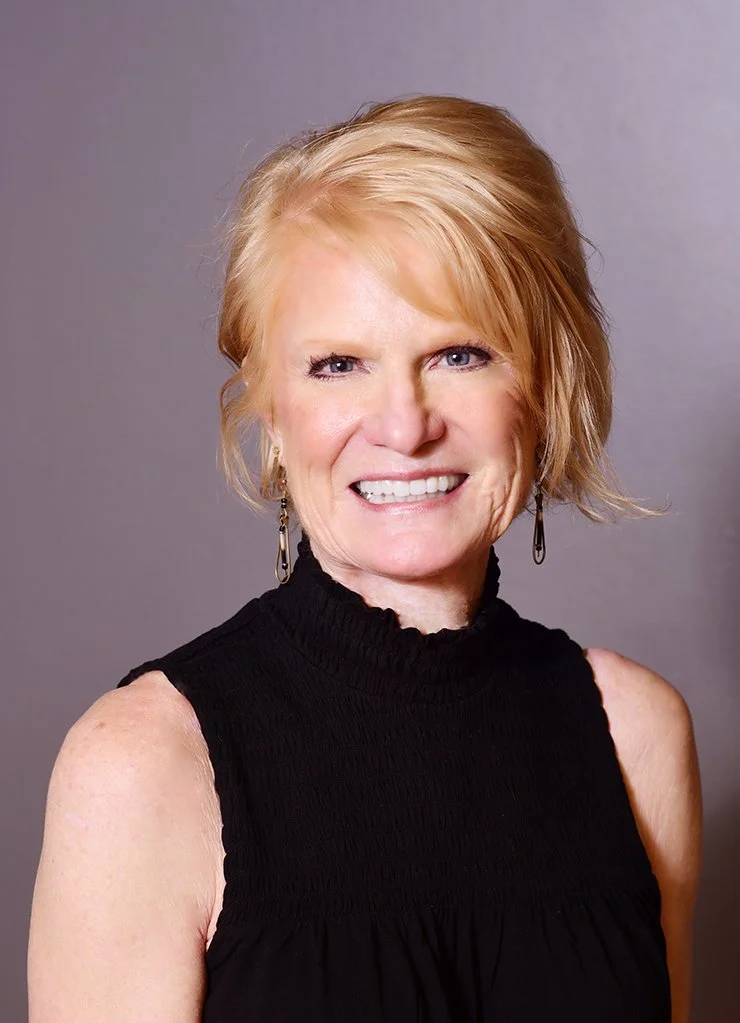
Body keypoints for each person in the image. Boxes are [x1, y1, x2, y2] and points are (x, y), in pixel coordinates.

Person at [28, 95, 702, 1022]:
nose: (404, 425)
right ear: (268, 408)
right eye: (338, 364)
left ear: (548, 381)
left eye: (460, 353)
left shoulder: (637, 734)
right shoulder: (144, 764)